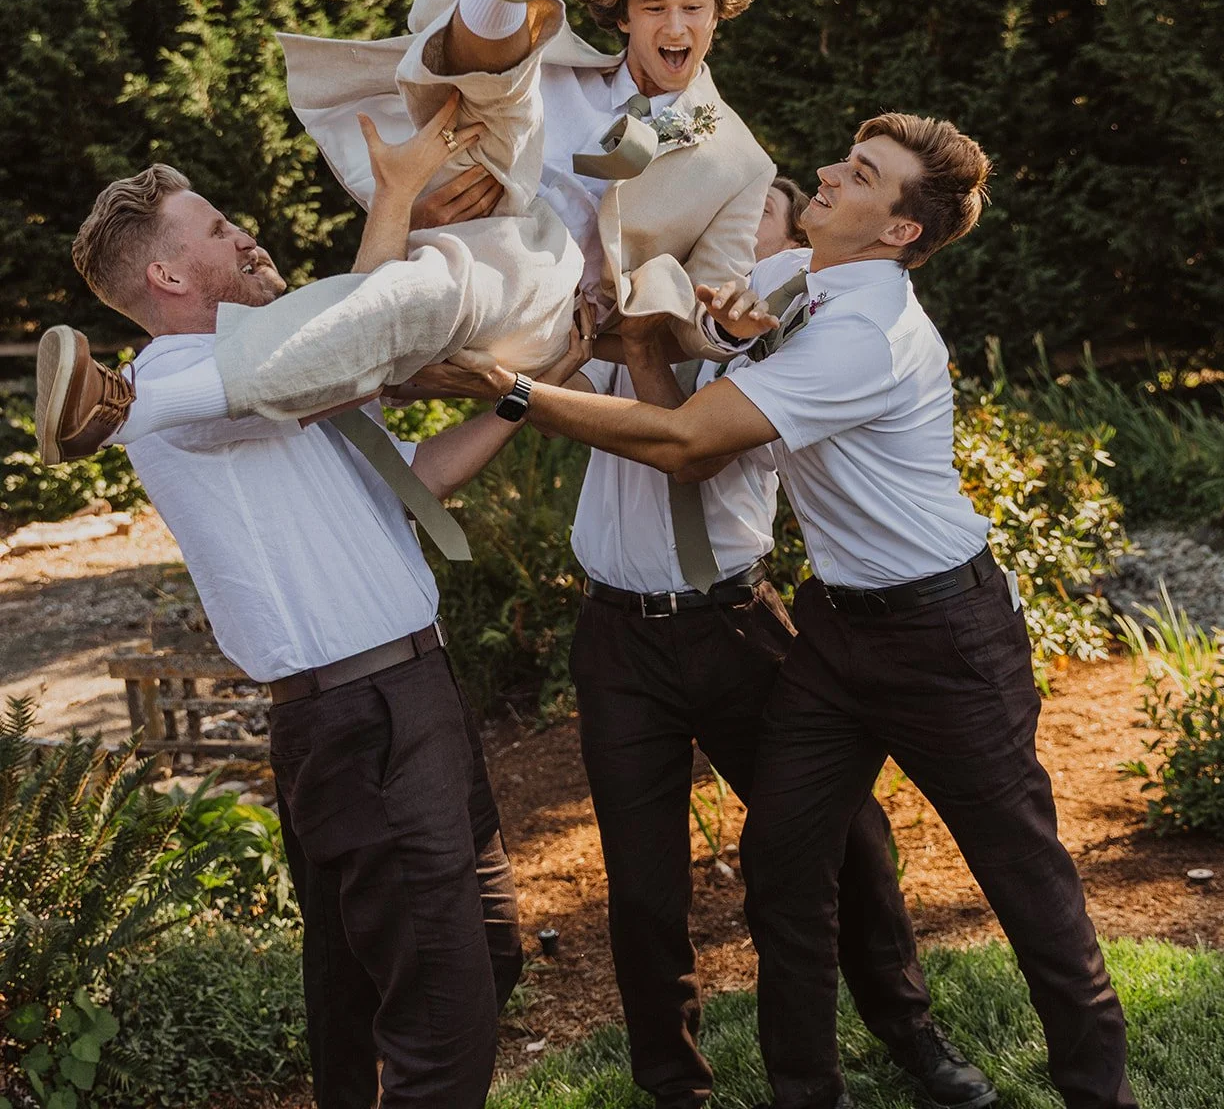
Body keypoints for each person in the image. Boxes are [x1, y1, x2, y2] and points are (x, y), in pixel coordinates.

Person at [443, 113, 1137, 1109]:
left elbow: (688, 441)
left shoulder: (866, 333)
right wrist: (694, 312)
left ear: (899, 230)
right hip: (836, 632)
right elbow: (687, 311)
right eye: (846, 158)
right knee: (781, 864)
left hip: (946, 635)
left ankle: (1098, 1092)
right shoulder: (795, 281)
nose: (827, 173)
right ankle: (808, 1093)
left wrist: (509, 389)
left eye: (859, 173)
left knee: (1025, 879)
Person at [62, 107, 590, 1109]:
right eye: (217, 228)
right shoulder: (172, 384)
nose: (245, 234)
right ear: (166, 276)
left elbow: (415, 477)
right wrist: (395, 192)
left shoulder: (275, 371)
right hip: (359, 717)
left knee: (451, 968)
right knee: (443, 1015)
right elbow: (351, 337)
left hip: (415, 694)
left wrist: (525, 393)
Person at [37, 0, 776, 461]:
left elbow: (704, 312)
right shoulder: (564, 67)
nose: (674, 26)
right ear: (624, 14)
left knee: (422, 289)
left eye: (692, 8)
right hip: (474, 184)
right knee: (488, 70)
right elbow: (435, 34)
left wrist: (724, 325)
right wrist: (414, 209)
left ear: (721, 12)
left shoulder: (741, 164)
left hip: (548, 283)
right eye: (654, 7)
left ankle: (132, 407)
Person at [538, 169, 994, 1109]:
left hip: (734, 624)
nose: (729, 243)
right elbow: (550, 379)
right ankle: (675, 1086)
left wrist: (643, 346)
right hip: (616, 637)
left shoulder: (775, 352)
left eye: (755, 227)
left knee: (848, 838)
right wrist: (576, 337)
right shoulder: (632, 319)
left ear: (786, 254)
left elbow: (686, 451)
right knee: (642, 881)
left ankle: (910, 1031)